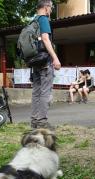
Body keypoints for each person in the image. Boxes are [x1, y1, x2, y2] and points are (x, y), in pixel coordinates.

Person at [31, 0, 61, 130]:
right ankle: (42, 122)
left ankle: (34, 121)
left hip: (35, 61)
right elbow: (45, 38)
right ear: (46, 7)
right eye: (51, 7)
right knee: (45, 92)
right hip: (44, 61)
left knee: (36, 92)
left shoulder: (32, 21)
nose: (51, 10)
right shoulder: (43, 19)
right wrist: (55, 58)